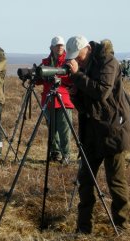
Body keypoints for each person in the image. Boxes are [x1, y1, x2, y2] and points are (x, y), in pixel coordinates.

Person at [66, 36, 130, 234]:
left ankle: (122, 227)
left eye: (78, 56)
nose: (76, 60)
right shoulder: (85, 65)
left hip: (113, 131)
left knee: (116, 182)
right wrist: (75, 94)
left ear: (87, 48)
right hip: (91, 132)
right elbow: (87, 107)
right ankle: (84, 229)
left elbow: (102, 92)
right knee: (85, 182)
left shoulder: (108, 62)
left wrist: (78, 76)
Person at [36, 36, 74, 164]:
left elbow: (72, 80)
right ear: (51, 47)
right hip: (49, 99)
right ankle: (55, 153)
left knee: (64, 129)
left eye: (62, 45)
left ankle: (66, 155)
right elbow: (39, 80)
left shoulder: (69, 62)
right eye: (57, 45)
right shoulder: (45, 62)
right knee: (52, 129)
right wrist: (35, 75)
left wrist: (58, 77)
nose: (60, 47)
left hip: (64, 100)